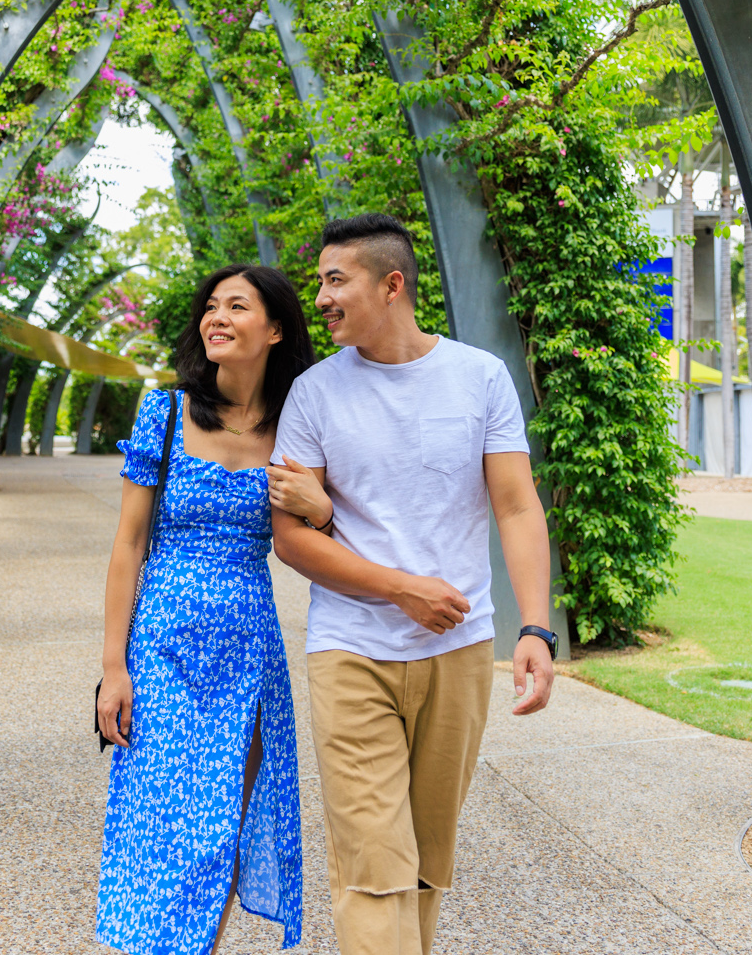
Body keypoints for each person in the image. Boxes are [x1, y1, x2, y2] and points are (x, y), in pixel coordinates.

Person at [266, 213, 557, 955]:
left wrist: (535, 627)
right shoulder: (313, 394)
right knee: (372, 862)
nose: (322, 296)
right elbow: (293, 538)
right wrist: (401, 589)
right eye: (321, 280)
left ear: (391, 285)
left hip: (459, 648)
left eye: (338, 280)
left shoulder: (479, 377)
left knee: (426, 859)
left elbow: (518, 505)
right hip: (350, 648)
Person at [96, 264, 319, 955]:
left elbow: (320, 538)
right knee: (158, 823)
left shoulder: (297, 432)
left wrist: (323, 508)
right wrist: (113, 667)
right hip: (160, 649)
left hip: (247, 655)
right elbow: (129, 545)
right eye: (211, 307)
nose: (216, 317)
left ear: (275, 329)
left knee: (221, 828)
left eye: (237, 306)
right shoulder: (164, 414)